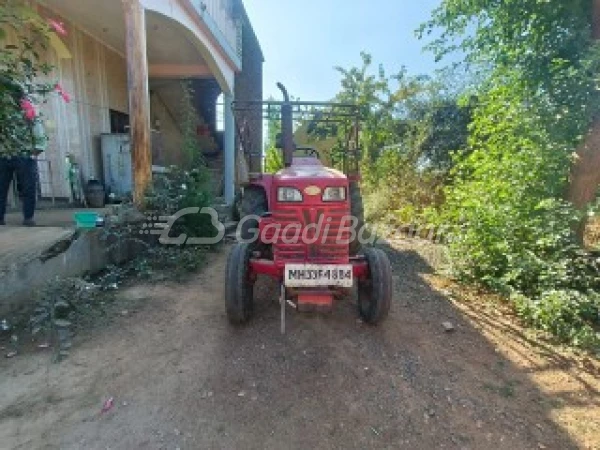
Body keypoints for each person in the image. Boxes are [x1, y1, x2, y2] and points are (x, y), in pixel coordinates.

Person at [0, 103, 47, 227]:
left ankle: (28, 217)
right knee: (1, 188)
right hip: (4, 155)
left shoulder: (29, 112)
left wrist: (34, 153)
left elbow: (39, 134)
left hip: (24, 154)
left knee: (28, 188)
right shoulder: (3, 113)